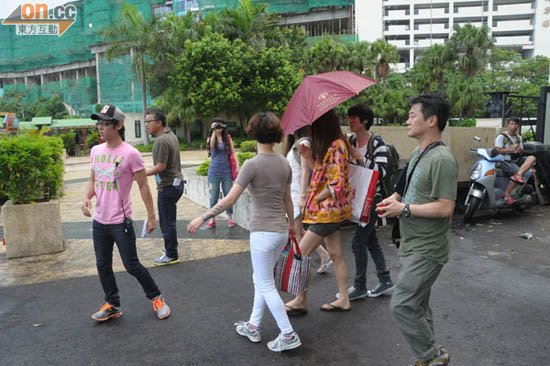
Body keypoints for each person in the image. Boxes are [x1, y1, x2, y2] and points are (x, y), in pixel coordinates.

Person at [187, 112, 302, 353]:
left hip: (262, 232)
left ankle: (288, 333)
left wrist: (203, 216)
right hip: (280, 230)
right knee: (260, 280)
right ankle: (253, 325)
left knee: (265, 284)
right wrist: (292, 225)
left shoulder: (252, 165)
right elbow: (287, 200)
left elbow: (229, 199)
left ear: (252, 132)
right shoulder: (283, 163)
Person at [376, 94, 457, 366]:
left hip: (428, 249)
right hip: (410, 244)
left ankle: (432, 355)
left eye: (413, 115)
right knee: (418, 304)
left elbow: (445, 208)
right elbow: (405, 189)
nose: (407, 120)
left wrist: (405, 210)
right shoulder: (417, 153)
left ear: (431, 120)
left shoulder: (442, 159)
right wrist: (394, 200)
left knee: (402, 304)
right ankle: (430, 353)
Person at [82, 104, 171, 321]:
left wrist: (151, 216)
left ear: (119, 125)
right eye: (99, 124)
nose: (100, 128)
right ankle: (112, 304)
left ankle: (156, 297)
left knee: (131, 265)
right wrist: (86, 198)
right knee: (102, 265)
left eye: (105, 124)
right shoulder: (96, 151)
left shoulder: (131, 154)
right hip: (99, 221)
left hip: (120, 221)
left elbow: (142, 185)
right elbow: (94, 179)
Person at [284, 109, 353, 314]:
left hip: (327, 212)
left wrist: (316, 197)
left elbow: (337, 184)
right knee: (336, 254)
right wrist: (309, 158)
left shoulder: (337, 146)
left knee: (301, 254)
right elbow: (323, 173)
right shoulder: (333, 145)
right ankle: (344, 298)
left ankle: (300, 300)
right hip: (330, 212)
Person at [343, 104, 394, 300]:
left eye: (353, 117)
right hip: (358, 197)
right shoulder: (351, 140)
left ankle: (360, 285)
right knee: (371, 241)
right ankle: (384, 279)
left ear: (364, 120)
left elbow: (381, 171)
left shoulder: (376, 142)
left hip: (373, 199)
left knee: (358, 243)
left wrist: (361, 157)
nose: (349, 121)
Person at [285, 126, 332, 274]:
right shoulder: (296, 143)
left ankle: (299, 265)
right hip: (294, 191)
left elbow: (306, 171)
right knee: (299, 230)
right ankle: (324, 255)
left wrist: (303, 196)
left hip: (299, 192)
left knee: (296, 232)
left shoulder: (303, 143)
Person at [144, 108, 185, 266]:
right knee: (170, 220)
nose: (146, 125)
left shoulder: (161, 141)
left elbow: (160, 166)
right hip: (177, 183)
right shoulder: (170, 135)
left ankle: (171, 254)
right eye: (146, 122)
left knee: (167, 222)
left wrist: (140, 174)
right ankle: (171, 248)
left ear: (159, 123)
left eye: (149, 122)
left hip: (168, 186)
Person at [494, 117, 536, 204]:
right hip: (504, 160)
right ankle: (507, 193)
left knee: (532, 158)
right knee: (518, 171)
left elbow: (521, 153)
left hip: (515, 159)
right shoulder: (501, 136)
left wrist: (520, 150)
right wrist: (510, 149)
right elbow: (497, 150)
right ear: (508, 125)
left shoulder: (518, 137)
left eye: (516, 124)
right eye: (512, 124)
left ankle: (518, 175)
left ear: (518, 126)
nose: (514, 126)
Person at [205, 117, 236, 228]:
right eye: (217, 125)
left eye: (221, 125)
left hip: (226, 171)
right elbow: (212, 145)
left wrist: (237, 168)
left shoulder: (227, 138)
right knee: (214, 196)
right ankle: (212, 219)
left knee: (228, 195)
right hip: (214, 172)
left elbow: (233, 153)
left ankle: (230, 218)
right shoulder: (210, 138)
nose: (219, 128)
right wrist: (214, 132)